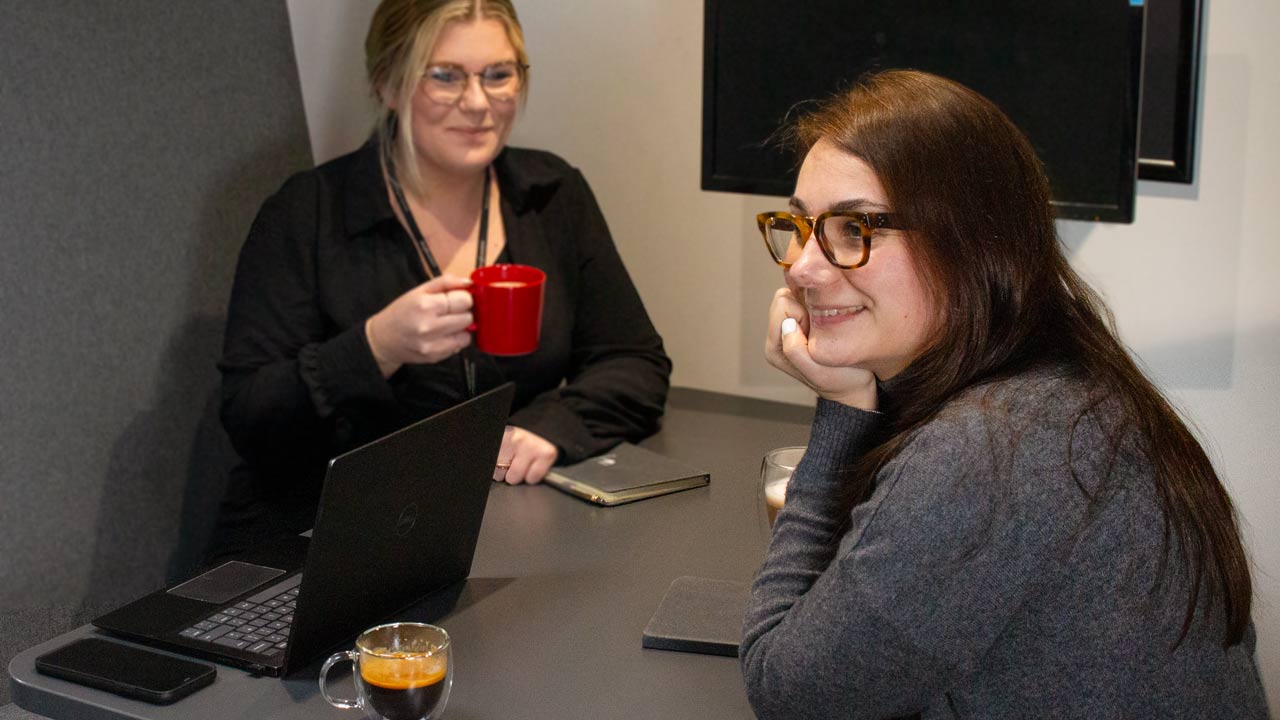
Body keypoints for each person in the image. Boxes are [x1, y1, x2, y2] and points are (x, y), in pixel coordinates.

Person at [741, 70, 1268, 719]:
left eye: (854, 230)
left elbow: (790, 691)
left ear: (967, 243)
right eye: (799, 225)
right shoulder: (1061, 387)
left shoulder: (995, 446)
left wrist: (842, 412)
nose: (800, 266)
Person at [209, 0, 670, 558]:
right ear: (389, 84)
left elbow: (635, 362)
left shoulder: (550, 196)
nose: (478, 103)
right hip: (321, 540)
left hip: (493, 530)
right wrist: (375, 347)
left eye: (499, 75)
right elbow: (251, 416)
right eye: (446, 76)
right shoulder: (308, 214)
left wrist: (550, 427)